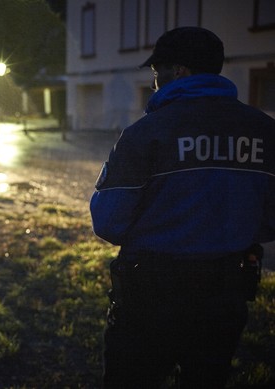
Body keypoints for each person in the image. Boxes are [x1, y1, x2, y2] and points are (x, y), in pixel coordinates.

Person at [90, 27, 275, 388]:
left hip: (152, 296)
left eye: (157, 72)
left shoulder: (145, 133)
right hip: (226, 295)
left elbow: (109, 222)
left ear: (180, 72)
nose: (155, 81)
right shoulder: (265, 131)